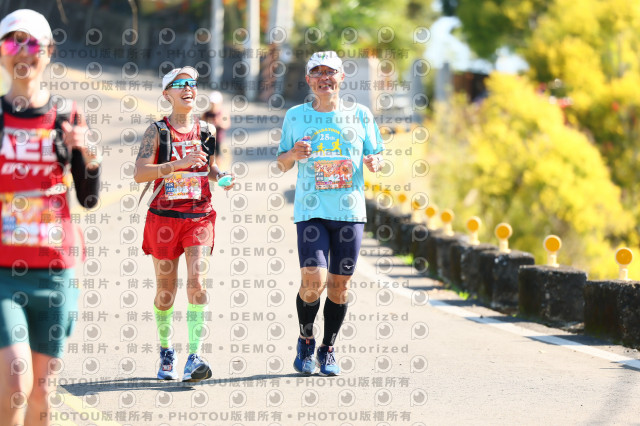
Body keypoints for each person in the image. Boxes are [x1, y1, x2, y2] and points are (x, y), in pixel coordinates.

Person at [0, 9, 101, 425]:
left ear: (49, 51)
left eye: (32, 44)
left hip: (56, 271)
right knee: (15, 382)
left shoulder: (65, 115)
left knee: (43, 392)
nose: (22, 52)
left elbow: (88, 197)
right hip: (4, 272)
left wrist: (87, 153)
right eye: (12, 42)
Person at [276, 51, 384, 376]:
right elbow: (281, 163)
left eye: (330, 72)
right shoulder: (296, 116)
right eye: (317, 72)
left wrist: (375, 162)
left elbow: (377, 155)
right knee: (313, 281)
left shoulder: (360, 115)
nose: (324, 78)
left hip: (350, 213)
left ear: (341, 77)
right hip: (311, 212)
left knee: (339, 286)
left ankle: (328, 348)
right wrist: (293, 154)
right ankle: (306, 340)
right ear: (308, 79)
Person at [134, 66, 235, 382]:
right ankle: (166, 350)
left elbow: (209, 167)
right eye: (180, 85)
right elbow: (140, 173)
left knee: (197, 283)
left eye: (192, 83)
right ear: (167, 94)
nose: (188, 88)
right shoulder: (157, 131)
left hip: (198, 217)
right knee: (166, 291)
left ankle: (195, 355)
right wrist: (178, 164)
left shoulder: (207, 130)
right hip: (163, 219)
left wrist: (222, 176)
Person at [202, 91, 230, 169]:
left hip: (218, 139)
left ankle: (218, 170)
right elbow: (202, 125)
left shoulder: (222, 113)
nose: (213, 105)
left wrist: (218, 123)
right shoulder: (206, 114)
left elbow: (227, 125)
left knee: (218, 156)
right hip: (208, 139)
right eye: (212, 103)